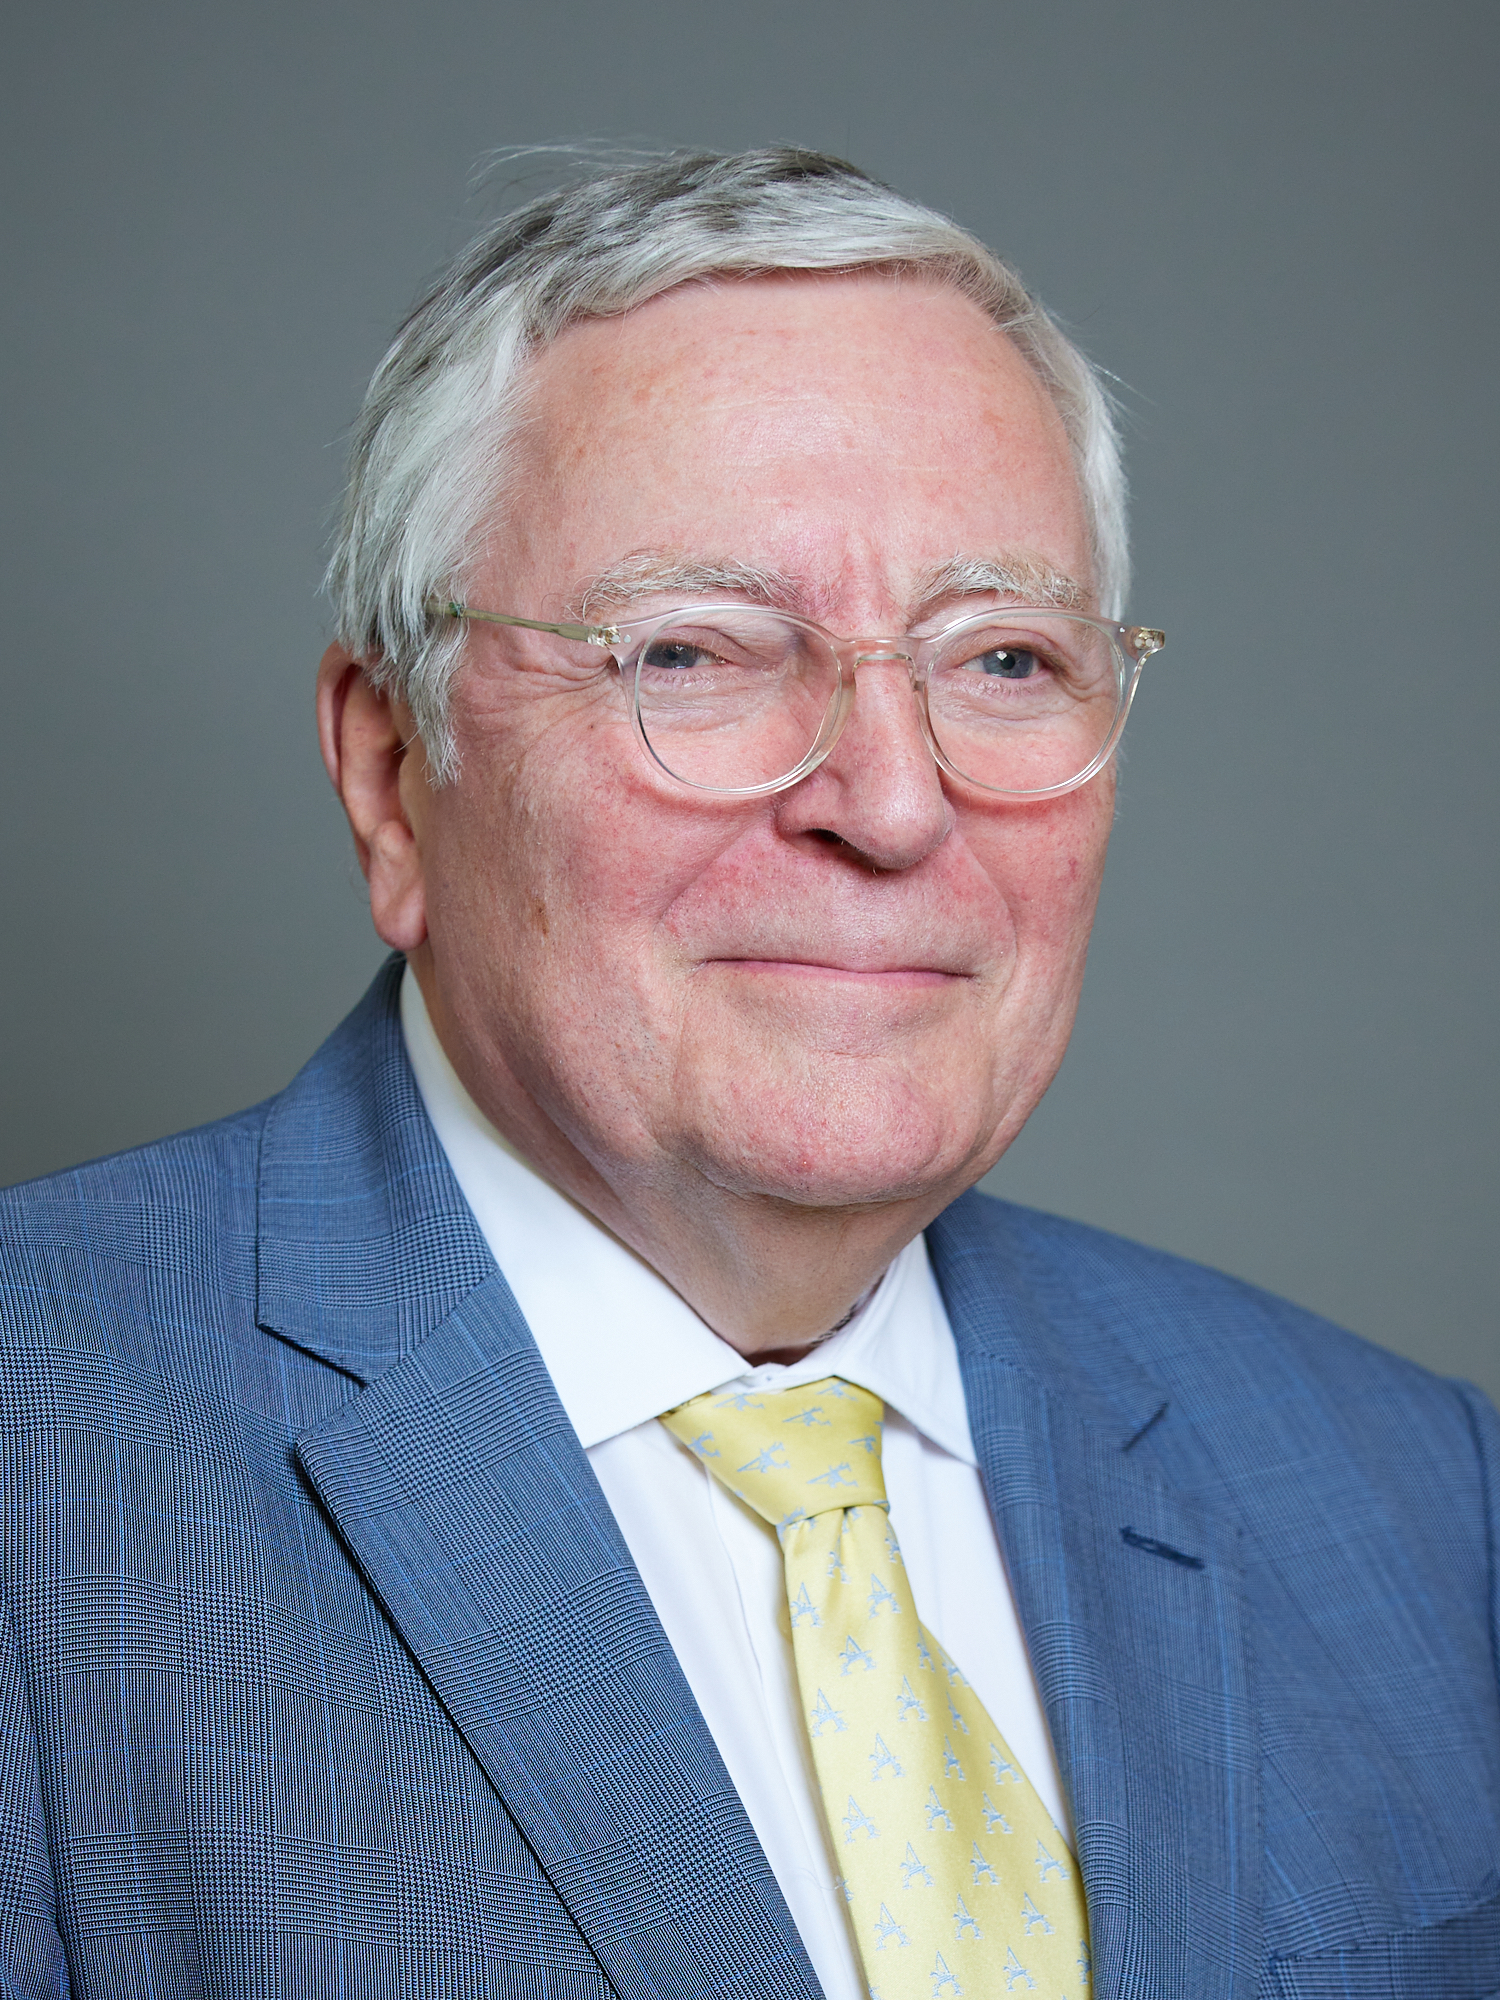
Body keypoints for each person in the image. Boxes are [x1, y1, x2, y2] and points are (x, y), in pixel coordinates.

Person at [0, 147, 1495, 2000]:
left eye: (1006, 657)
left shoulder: (1419, 1493)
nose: (887, 799)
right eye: (695, 651)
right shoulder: (38, 1466)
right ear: (396, 779)